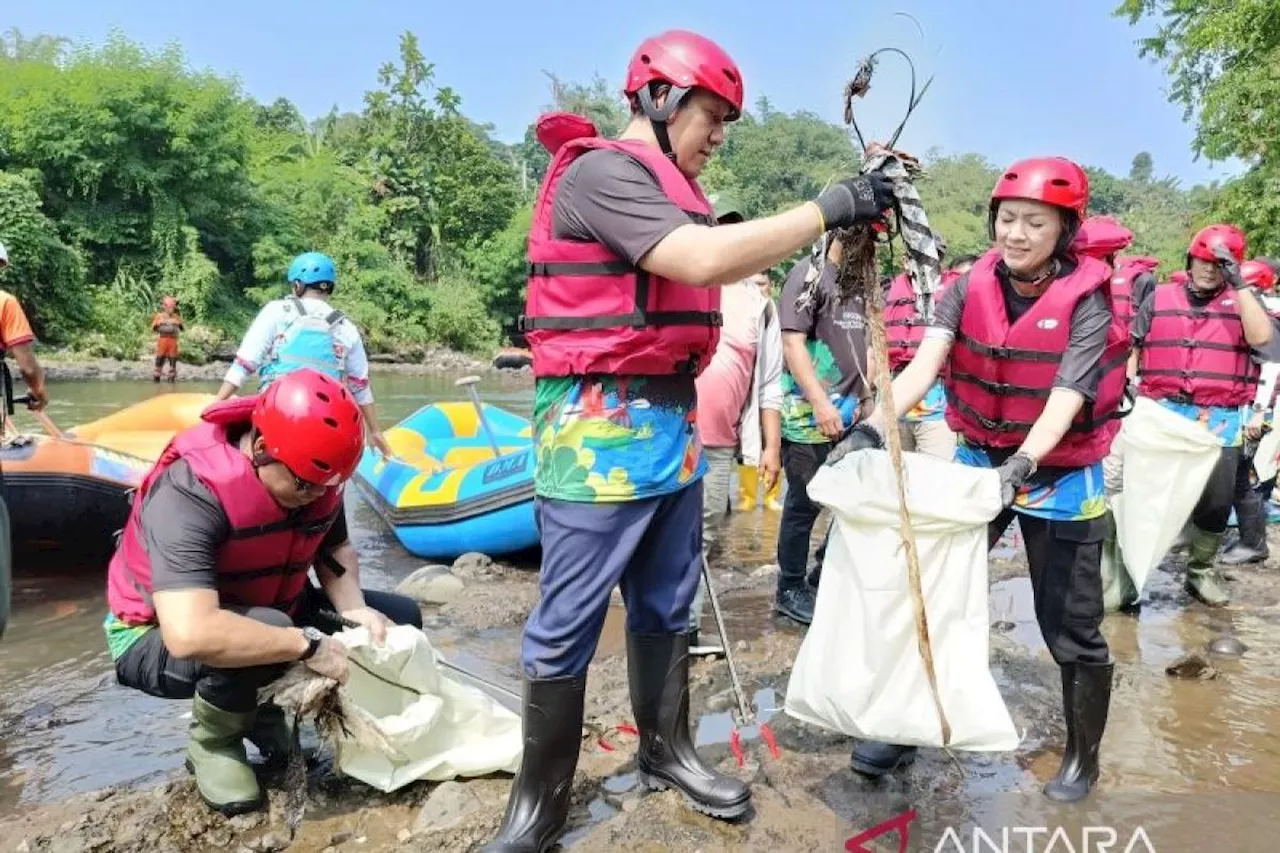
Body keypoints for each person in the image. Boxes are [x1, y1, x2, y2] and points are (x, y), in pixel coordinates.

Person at [487, 29, 894, 853]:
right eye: (713, 116)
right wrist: (825, 207)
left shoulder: (672, 186)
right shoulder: (604, 172)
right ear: (663, 99)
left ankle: (666, 749)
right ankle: (537, 808)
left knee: (668, 602)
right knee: (567, 617)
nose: (718, 135)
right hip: (594, 426)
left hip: (671, 424)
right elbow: (701, 260)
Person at [835, 157, 1128, 803]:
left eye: (1034, 222)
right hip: (978, 456)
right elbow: (925, 364)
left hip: (1059, 471)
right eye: (1007, 217)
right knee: (931, 595)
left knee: (1069, 627)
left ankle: (1083, 757)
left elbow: (1068, 394)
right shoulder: (966, 285)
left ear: (1064, 230)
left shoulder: (1090, 295)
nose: (1016, 233)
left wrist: (1021, 466)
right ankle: (906, 724)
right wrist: (873, 425)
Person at [103, 369, 422, 815]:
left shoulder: (316, 482)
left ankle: (264, 715)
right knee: (269, 629)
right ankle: (216, 743)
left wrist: (356, 611)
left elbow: (337, 550)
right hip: (152, 634)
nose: (316, 496)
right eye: (305, 484)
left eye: (329, 486)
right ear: (259, 447)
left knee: (399, 619)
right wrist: (307, 646)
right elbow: (191, 634)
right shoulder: (191, 492)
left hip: (270, 605)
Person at [1130, 225, 1276, 605]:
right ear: (1189, 259)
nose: (1209, 270)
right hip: (1161, 413)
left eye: (1219, 265)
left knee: (1215, 502)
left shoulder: (1244, 302)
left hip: (1220, 420)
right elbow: (1135, 344)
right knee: (1148, 495)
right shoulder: (1159, 296)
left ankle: (1200, 572)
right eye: (1203, 261)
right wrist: (1128, 383)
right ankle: (1127, 575)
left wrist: (1240, 287)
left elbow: (1262, 339)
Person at [688, 191, 784, 656]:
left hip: (720, 441)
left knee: (703, 534)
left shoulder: (760, 305)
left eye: (732, 230)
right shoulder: (683, 280)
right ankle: (658, 628)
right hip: (670, 427)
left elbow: (767, 383)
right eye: (716, 227)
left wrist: (770, 446)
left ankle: (682, 632)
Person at [771, 234, 873, 626]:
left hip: (851, 415)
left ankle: (821, 573)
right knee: (804, 505)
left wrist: (868, 395)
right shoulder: (808, 275)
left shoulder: (861, 283)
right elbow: (793, 344)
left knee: (852, 499)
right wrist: (819, 402)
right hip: (810, 415)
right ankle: (790, 587)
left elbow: (864, 343)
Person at [214, 252, 391, 458]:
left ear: (298, 285)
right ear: (329, 287)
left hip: (279, 412)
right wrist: (375, 430)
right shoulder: (346, 327)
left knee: (238, 443)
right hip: (328, 421)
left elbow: (245, 364)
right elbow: (359, 385)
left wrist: (217, 402)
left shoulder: (277, 311)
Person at [1218, 258, 1280, 565]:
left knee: (1245, 475)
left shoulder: (1266, 313)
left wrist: (1259, 411)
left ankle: (1253, 542)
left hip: (1262, 407)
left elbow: (1270, 365)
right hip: (1254, 405)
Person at [882, 232, 959, 461]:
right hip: (894, 395)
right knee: (896, 478)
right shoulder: (888, 290)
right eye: (917, 257)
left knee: (937, 475)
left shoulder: (956, 291)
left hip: (937, 402)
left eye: (932, 257)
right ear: (906, 260)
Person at [737, 270, 786, 513]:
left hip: (769, 391)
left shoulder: (769, 312)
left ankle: (770, 495)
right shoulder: (737, 306)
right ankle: (746, 496)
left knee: (770, 442)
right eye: (754, 283)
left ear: (770, 285)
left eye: (763, 284)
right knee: (743, 447)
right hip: (740, 394)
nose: (759, 288)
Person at [152, 296, 184, 383]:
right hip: (163, 339)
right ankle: (156, 377)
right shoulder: (159, 316)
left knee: (173, 359)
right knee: (160, 358)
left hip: (173, 340)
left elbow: (182, 327)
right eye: (170, 308)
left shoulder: (176, 317)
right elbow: (154, 328)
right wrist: (163, 322)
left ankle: (171, 377)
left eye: (173, 308)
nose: (172, 309)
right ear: (165, 307)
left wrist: (176, 323)